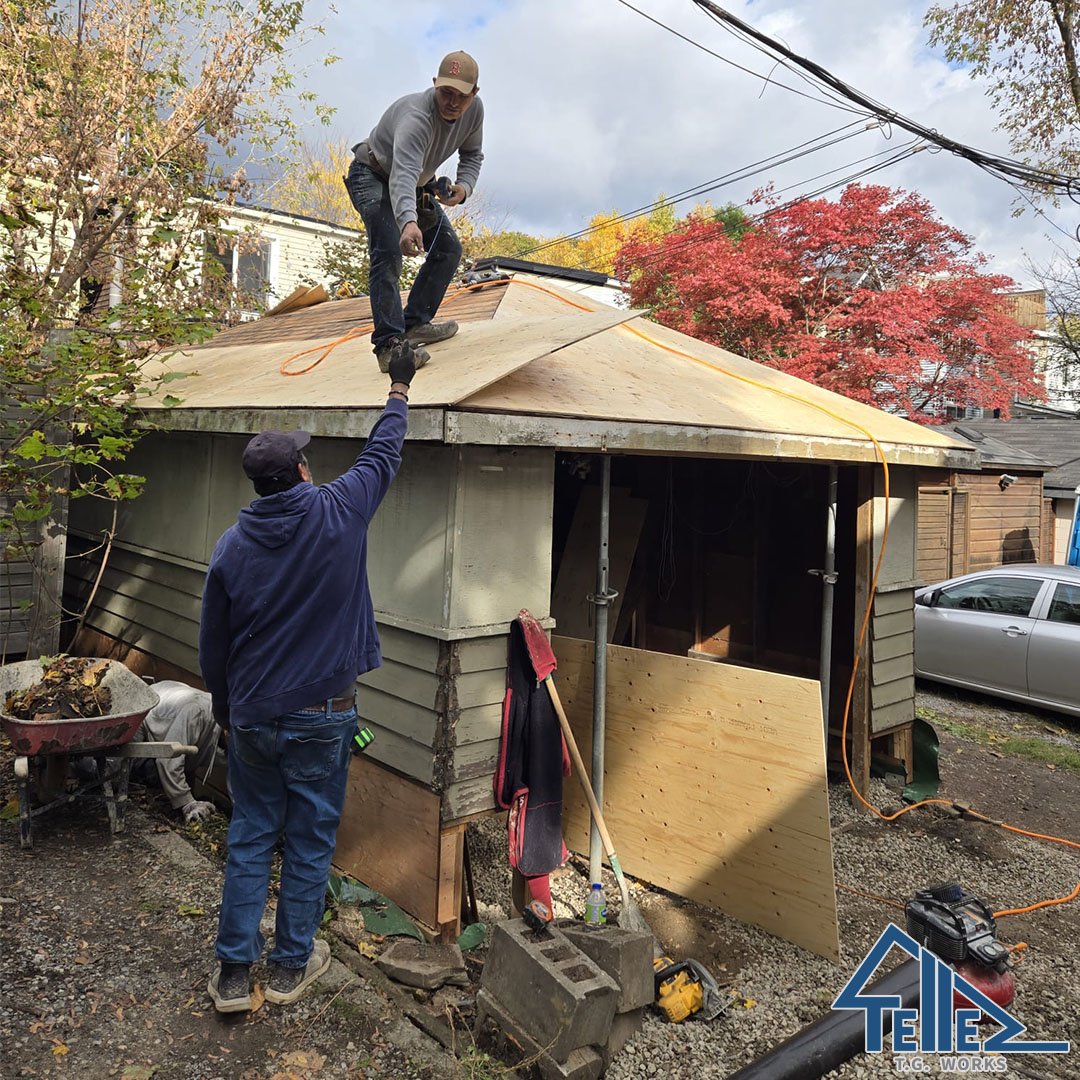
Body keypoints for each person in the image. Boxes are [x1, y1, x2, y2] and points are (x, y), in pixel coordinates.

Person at [198, 341, 418, 1014]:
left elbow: (214, 648)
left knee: (252, 834)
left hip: (256, 716)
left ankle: (235, 977)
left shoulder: (232, 547)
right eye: (304, 454)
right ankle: (291, 969)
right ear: (299, 469)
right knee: (310, 839)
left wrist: (228, 711)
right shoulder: (337, 511)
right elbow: (384, 454)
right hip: (324, 716)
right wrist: (400, 388)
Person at [345, 50, 483, 373]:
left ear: (474, 94)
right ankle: (389, 347)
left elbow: (473, 155)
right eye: (444, 92)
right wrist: (408, 222)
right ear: (434, 84)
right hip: (373, 174)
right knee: (388, 248)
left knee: (448, 249)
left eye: (459, 96)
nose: (451, 102)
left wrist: (464, 188)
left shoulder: (474, 112)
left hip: (415, 183)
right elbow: (402, 175)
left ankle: (415, 323)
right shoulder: (416, 118)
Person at [133, 681, 220, 824]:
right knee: (117, 770)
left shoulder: (236, 736)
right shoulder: (196, 712)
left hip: (171, 707)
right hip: (146, 706)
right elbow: (168, 758)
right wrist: (187, 803)